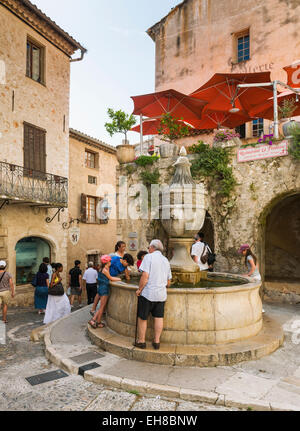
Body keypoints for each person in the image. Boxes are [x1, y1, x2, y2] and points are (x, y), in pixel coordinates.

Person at [135, 239, 172, 350]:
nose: (148, 249)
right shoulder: (166, 260)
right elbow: (168, 282)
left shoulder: (148, 257)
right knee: (158, 317)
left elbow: (145, 276)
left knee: (142, 318)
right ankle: (156, 342)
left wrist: (139, 289)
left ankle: (141, 341)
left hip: (148, 293)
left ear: (152, 247)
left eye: (148, 247)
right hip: (161, 295)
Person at [88, 255, 121, 329]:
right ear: (107, 262)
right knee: (102, 307)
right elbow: (110, 278)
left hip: (100, 288)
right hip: (104, 289)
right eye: (110, 261)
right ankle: (94, 321)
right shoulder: (105, 270)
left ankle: (97, 321)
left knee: (102, 307)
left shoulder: (102, 268)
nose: (111, 262)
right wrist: (119, 279)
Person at [238, 244, 264, 313]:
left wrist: (248, 275)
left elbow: (253, 267)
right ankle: (259, 308)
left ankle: (258, 309)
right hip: (257, 276)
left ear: (246, 250)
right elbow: (257, 267)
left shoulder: (249, 257)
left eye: (242, 251)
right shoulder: (253, 256)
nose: (242, 253)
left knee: (252, 294)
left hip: (254, 277)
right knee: (255, 294)